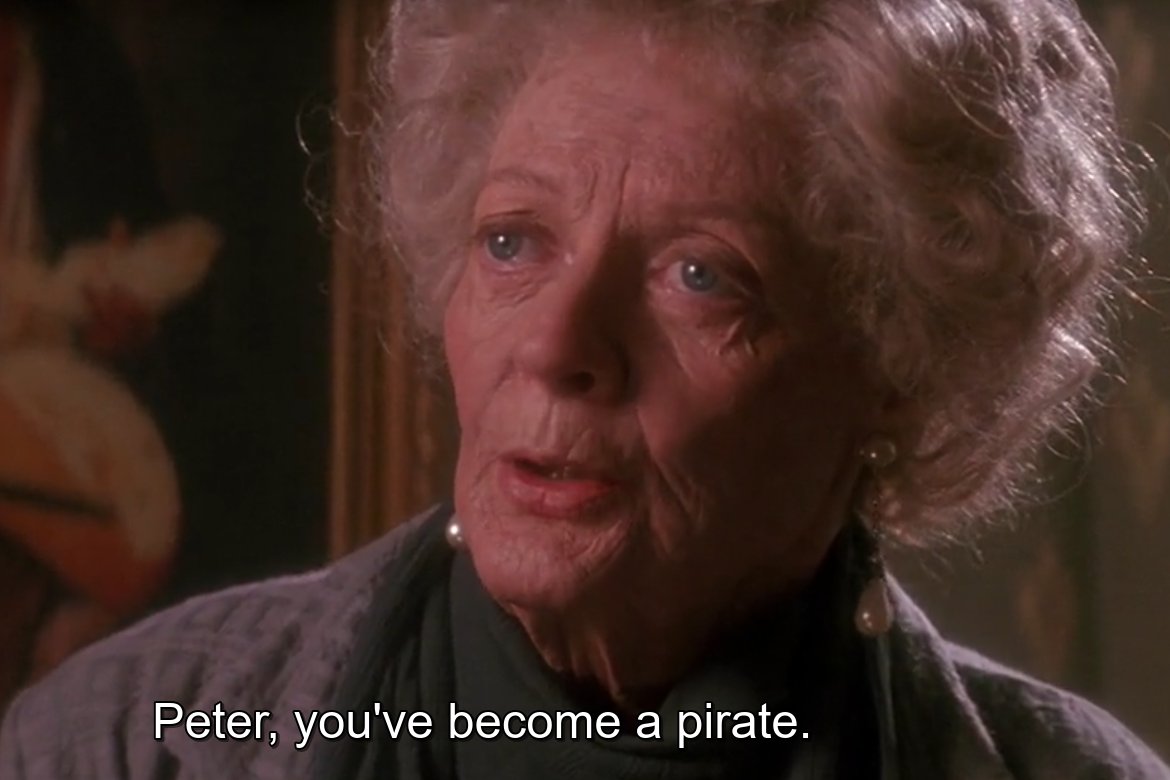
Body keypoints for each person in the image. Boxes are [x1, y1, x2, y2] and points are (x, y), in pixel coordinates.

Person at [2, 0, 1167, 777]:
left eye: (702, 276)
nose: (559, 344)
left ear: (897, 367)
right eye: (513, 243)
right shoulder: (122, 744)